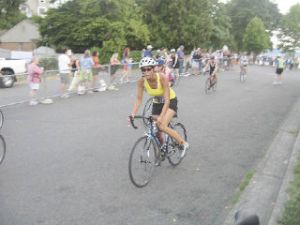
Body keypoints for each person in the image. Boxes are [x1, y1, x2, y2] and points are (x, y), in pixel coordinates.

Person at [130, 57, 190, 157]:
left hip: (170, 101)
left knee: (161, 125)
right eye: (143, 69)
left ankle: (183, 143)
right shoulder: (141, 81)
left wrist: (161, 117)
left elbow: (167, 100)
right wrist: (133, 113)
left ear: (153, 69)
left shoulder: (162, 77)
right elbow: (139, 99)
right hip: (157, 102)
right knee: (154, 127)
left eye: (148, 69)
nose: (146, 71)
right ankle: (162, 147)